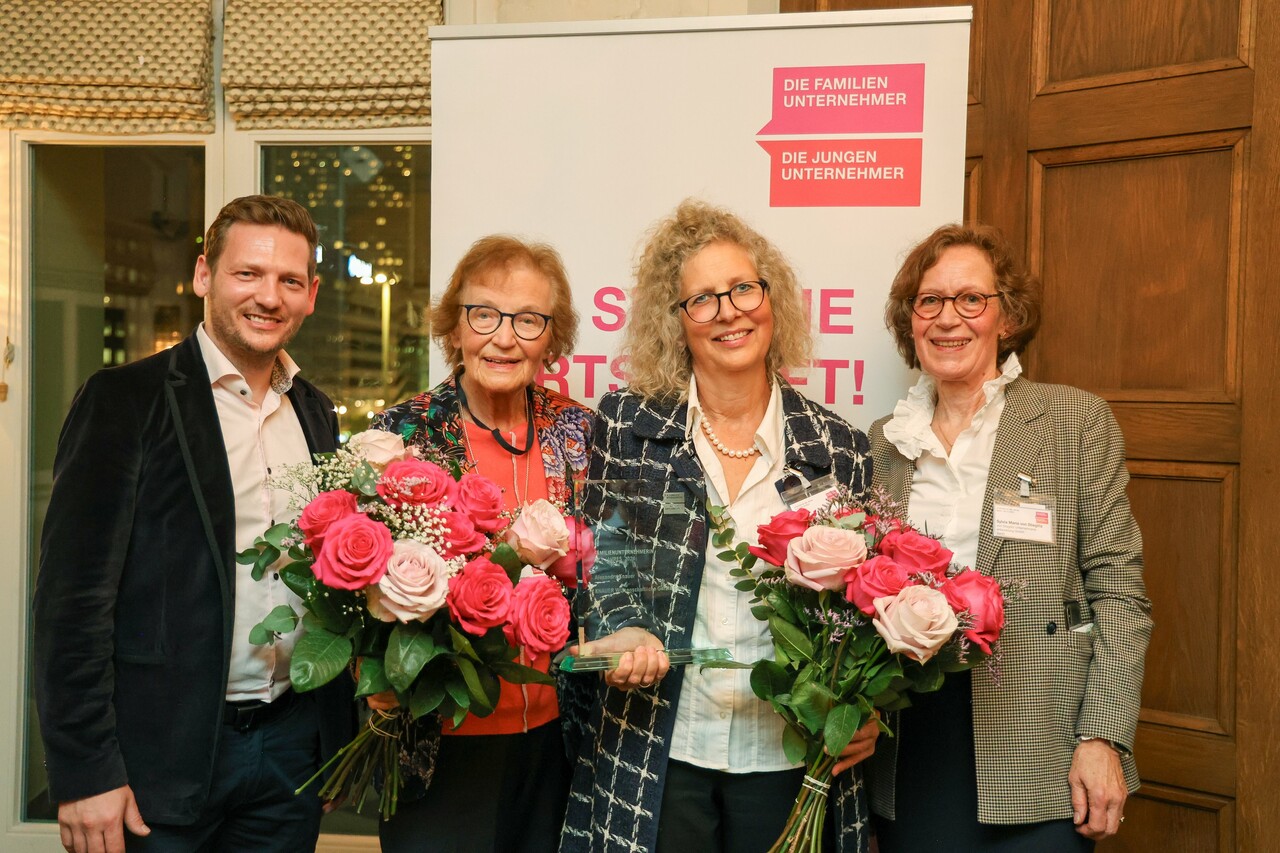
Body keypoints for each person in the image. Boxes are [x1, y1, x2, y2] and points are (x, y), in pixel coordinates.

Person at [33, 195, 353, 853]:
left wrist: (332, 735)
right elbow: (72, 603)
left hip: (291, 751)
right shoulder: (125, 400)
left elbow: (331, 583)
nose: (269, 296)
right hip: (160, 756)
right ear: (205, 274)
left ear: (311, 294)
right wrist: (85, 769)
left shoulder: (316, 412)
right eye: (248, 273)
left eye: (289, 280)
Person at [561, 200, 878, 853]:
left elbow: (866, 605)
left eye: (742, 289)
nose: (730, 311)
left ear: (772, 298)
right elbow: (602, 561)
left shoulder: (838, 445)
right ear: (675, 322)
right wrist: (623, 628)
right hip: (663, 745)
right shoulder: (629, 422)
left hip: (791, 752)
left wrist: (862, 702)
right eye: (703, 299)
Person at [865, 223, 1152, 852]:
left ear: (1008, 316)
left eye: (971, 299)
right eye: (930, 301)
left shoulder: (1073, 420)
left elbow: (1119, 597)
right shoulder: (884, 441)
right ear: (910, 320)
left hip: (1041, 740)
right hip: (914, 736)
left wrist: (1104, 737)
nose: (948, 319)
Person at [369, 235, 594, 853]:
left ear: (551, 337)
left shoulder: (580, 431)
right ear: (455, 327)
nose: (504, 338)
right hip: (439, 737)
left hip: (556, 742)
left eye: (528, 320)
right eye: (484, 314)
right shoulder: (405, 433)